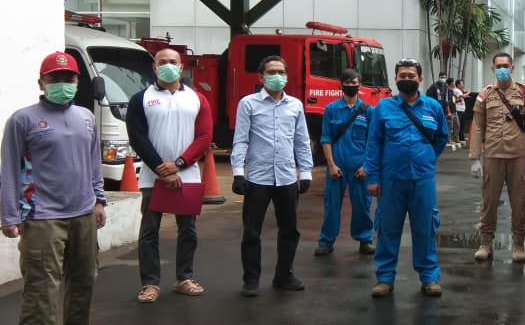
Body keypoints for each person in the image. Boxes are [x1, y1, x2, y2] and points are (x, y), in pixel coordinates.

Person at [1, 52, 108, 325]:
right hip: (42, 215)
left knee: (85, 276)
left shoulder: (85, 117)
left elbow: (93, 162)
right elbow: (9, 169)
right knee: (42, 285)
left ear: (77, 82)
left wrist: (99, 199)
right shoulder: (23, 119)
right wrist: (9, 215)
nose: (62, 84)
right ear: (41, 82)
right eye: (55, 79)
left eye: (68, 79)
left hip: (83, 211)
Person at [126, 48, 213, 303]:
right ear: (154, 68)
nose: (167, 66)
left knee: (188, 229)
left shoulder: (197, 99)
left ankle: (184, 278)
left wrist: (179, 164)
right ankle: (150, 284)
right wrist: (161, 169)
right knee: (149, 230)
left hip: (188, 174)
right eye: (162, 62)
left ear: (181, 65)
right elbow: (137, 138)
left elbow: (205, 136)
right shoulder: (141, 99)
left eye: (172, 62)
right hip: (153, 177)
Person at [365, 58, 449, 298]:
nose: (407, 79)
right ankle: (384, 278)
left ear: (420, 79)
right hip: (391, 179)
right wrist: (373, 178)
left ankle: (429, 278)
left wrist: (428, 157)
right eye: (402, 76)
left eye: (411, 76)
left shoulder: (433, 107)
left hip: (422, 179)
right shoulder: (383, 108)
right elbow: (374, 143)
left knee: (425, 228)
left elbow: (442, 137)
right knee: (388, 228)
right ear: (396, 79)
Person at [231, 55, 313, 297]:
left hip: (287, 177)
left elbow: (302, 141)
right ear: (261, 77)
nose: (277, 76)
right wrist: (238, 173)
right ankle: (251, 279)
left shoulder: (295, 105)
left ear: (286, 76)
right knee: (251, 232)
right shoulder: (248, 104)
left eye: (281, 72)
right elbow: (241, 139)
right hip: (258, 178)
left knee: (289, 230)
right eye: (271, 72)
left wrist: (305, 172)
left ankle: (284, 274)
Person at [469, 52, 525, 262]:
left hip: (517, 156)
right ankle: (485, 243)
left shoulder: (524, 92)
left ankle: (518, 244)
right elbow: (477, 127)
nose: (502, 69)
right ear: (492, 69)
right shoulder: (485, 94)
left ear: (512, 68)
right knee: (489, 202)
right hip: (492, 154)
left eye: (506, 65)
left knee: (519, 202)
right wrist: (475, 157)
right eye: (498, 65)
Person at [315, 69, 374, 256]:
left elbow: (374, 141)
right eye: (347, 83)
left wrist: (367, 166)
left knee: (362, 204)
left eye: (354, 83)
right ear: (340, 85)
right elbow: (326, 138)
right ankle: (326, 241)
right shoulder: (331, 109)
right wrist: (331, 164)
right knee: (331, 204)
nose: (351, 86)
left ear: (360, 84)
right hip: (337, 166)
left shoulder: (368, 111)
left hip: (360, 167)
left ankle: (365, 239)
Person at [447, 77, 462, 148]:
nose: (454, 83)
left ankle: (456, 138)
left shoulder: (452, 91)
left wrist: (458, 100)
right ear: (451, 83)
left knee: (457, 125)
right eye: (453, 82)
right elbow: (447, 102)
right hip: (450, 111)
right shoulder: (447, 91)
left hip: (454, 110)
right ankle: (448, 139)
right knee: (450, 126)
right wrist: (448, 112)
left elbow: (453, 100)